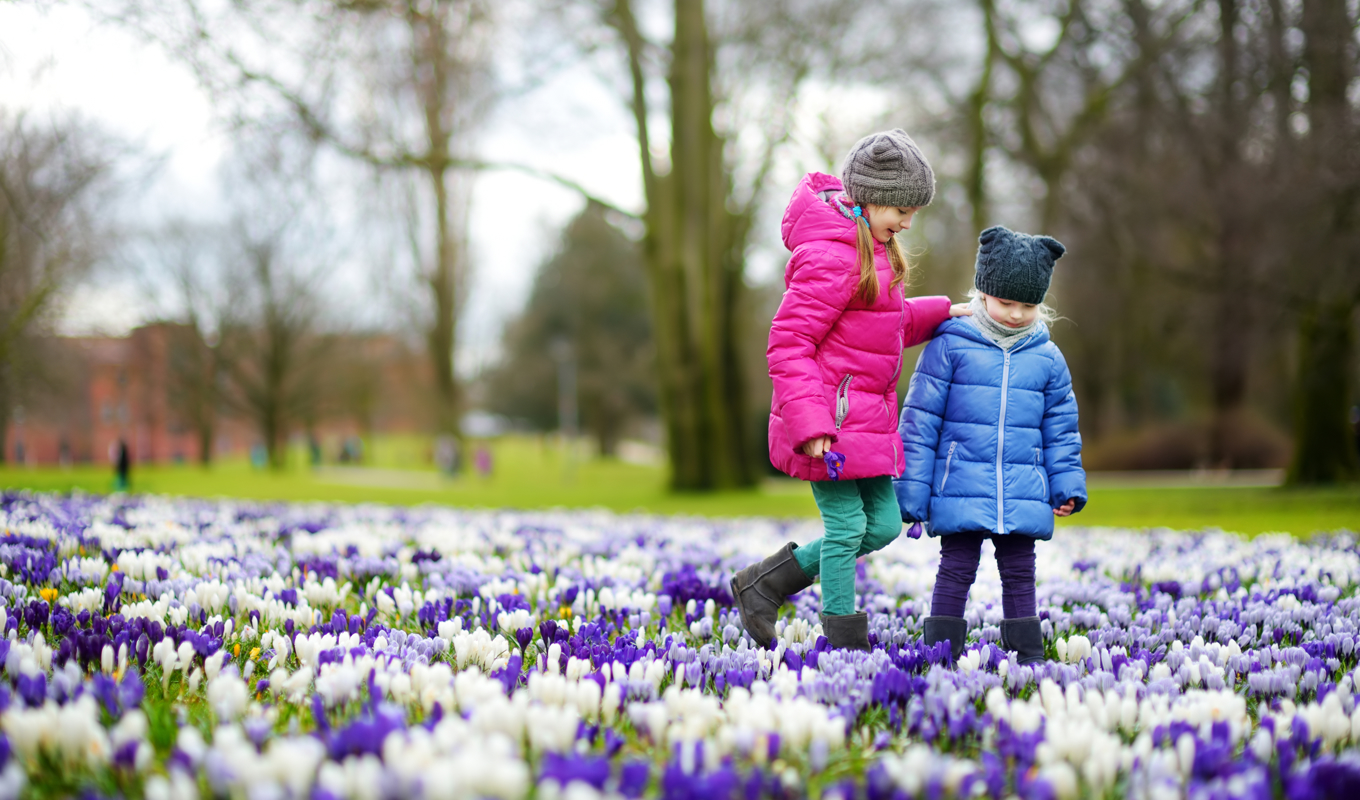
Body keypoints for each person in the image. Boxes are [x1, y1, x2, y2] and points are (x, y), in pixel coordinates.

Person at [730, 129, 972, 651]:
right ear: (868, 196)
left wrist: (941, 312)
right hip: (829, 425)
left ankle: (766, 583)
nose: (908, 222)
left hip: (867, 422)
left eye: (914, 211)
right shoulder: (831, 256)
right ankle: (842, 637)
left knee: (883, 524)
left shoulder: (879, 252)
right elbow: (788, 342)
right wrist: (810, 424)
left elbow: (886, 328)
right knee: (844, 528)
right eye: (902, 209)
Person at [896, 226, 1087, 665]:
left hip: (1023, 486)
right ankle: (940, 652)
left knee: (1020, 572)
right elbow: (921, 422)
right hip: (959, 481)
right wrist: (912, 490)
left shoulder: (1047, 358)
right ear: (982, 293)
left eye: (1028, 305)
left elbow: (1061, 428)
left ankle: (1027, 657)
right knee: (956, 568)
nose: (1018, 314)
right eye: (1006, 302)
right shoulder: (949, 344)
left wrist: (1066, 486)